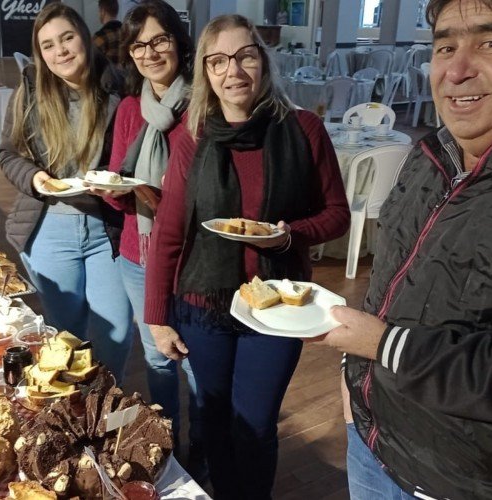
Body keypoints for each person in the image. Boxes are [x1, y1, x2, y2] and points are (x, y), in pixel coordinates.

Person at [316, 0, 492, 498]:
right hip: (374, 446)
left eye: (489, 42)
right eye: (445, 46)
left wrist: (382, 347)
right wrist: (354, 376)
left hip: (476, 484)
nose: (457, 70)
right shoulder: (430, 157)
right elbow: (394, 284)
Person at [143, 14, 350, 499]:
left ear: (262, 62)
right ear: (206, 73)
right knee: (212, 417)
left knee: (255, 426)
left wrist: (288, 236)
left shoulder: (304, 129)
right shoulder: (192, 138)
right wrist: (157, 318)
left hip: (276, 306)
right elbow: (170, 232)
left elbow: (336, 213)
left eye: (245, 56)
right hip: (201, 305)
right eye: (217, 60)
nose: (232, 70)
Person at [87, 0, 206, 478]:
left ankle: (205, 448)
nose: (150, 52)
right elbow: (120, 184)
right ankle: (167, 445)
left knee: (197, 364)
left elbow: (215, 193)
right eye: (139, 44)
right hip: (137, 256)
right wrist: (113, 191)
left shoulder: (206, 105)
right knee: (158, 361)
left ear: (179, 41)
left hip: (193, 260)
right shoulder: (131, 110)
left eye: (160, 40)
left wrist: (162, 200)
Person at [0, 2, 133, 382]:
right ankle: (75, 416)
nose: (61, 51)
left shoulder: (117, 88)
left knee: (117, 335)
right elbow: (8, 154)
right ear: (40, 53)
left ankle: (107, 410)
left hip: (106, 229)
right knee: (65, 339)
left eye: (68, 38)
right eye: (48, 45)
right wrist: (36, 179)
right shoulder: (29, 89)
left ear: (85, 38)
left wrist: (115, 181)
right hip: (50, 228)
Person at [93, 0, 122, 64]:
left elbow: (90, 59)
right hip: (128, 73)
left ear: (103, 11)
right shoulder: (127, 33)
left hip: (109, 73)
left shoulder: (101, 36)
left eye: (99, 11)